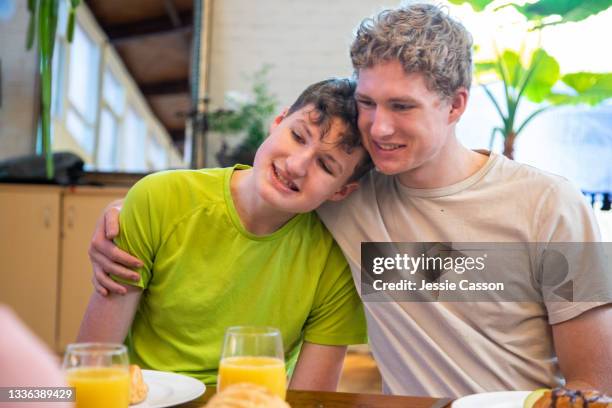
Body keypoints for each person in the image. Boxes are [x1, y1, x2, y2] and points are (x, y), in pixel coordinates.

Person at [88, 4, 612, 398]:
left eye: (401, 106)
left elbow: (595, 385)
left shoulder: (552, 206)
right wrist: (122, 220)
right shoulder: (347, 194)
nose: (378, 128)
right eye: (368, 102)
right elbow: (254, 187)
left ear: (455, 105)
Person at [78, 78, 371, 391]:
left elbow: (309, 400)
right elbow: (93, 365)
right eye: (298, 136)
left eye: (325, 165)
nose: (297, 165)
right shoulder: (159, 199)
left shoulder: (340, 257)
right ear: (278, 121)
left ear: (342, 191)